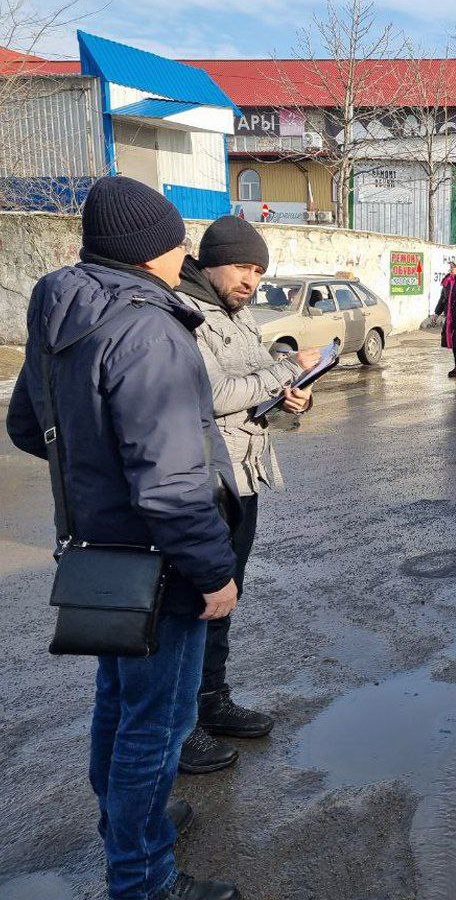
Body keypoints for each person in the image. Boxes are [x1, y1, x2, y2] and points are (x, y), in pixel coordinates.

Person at [5, 176, 241, 900]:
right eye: (177, 245)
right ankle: (143, 878)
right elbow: (173, 483)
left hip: (99, 557)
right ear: (150, 251)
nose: (183, 259)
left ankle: (129, 827)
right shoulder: (146, 327)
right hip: (161, 564)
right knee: (157, 725)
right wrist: (213, 573)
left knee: (118, 703)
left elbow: (26, 426)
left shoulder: (60, 309)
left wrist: (100, 470)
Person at [175, 216, 318, 775]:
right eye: (242, 267)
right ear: (211, 261)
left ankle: (212, 703)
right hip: (204, 478)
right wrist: (283, 375)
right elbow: (208, 393)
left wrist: (292, 402)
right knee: (195, 600)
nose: (250, 280)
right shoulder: (191, 315)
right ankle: (182, 725)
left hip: (245, 475)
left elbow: (257, 394)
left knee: (227, 596)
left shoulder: (242, 317)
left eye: (258, 270)